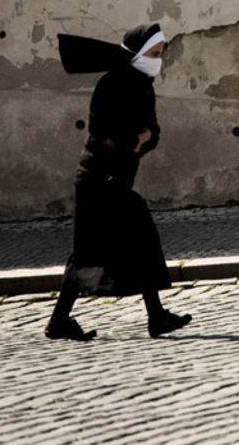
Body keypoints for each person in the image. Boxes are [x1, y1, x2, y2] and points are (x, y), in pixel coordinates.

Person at [45, 22, 191, 341]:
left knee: (98, 248)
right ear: (138, 53)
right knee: (129, 239)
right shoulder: (113, 83)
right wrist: (135, 142)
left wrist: (143, 140)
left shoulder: (141, 84)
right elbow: (105, 132)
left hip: (115, 178)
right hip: (99, 177)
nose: (157, 59)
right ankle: (155, 317)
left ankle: (62, 322)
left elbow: (152, 131)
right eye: (153, 53)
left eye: (160, 54)